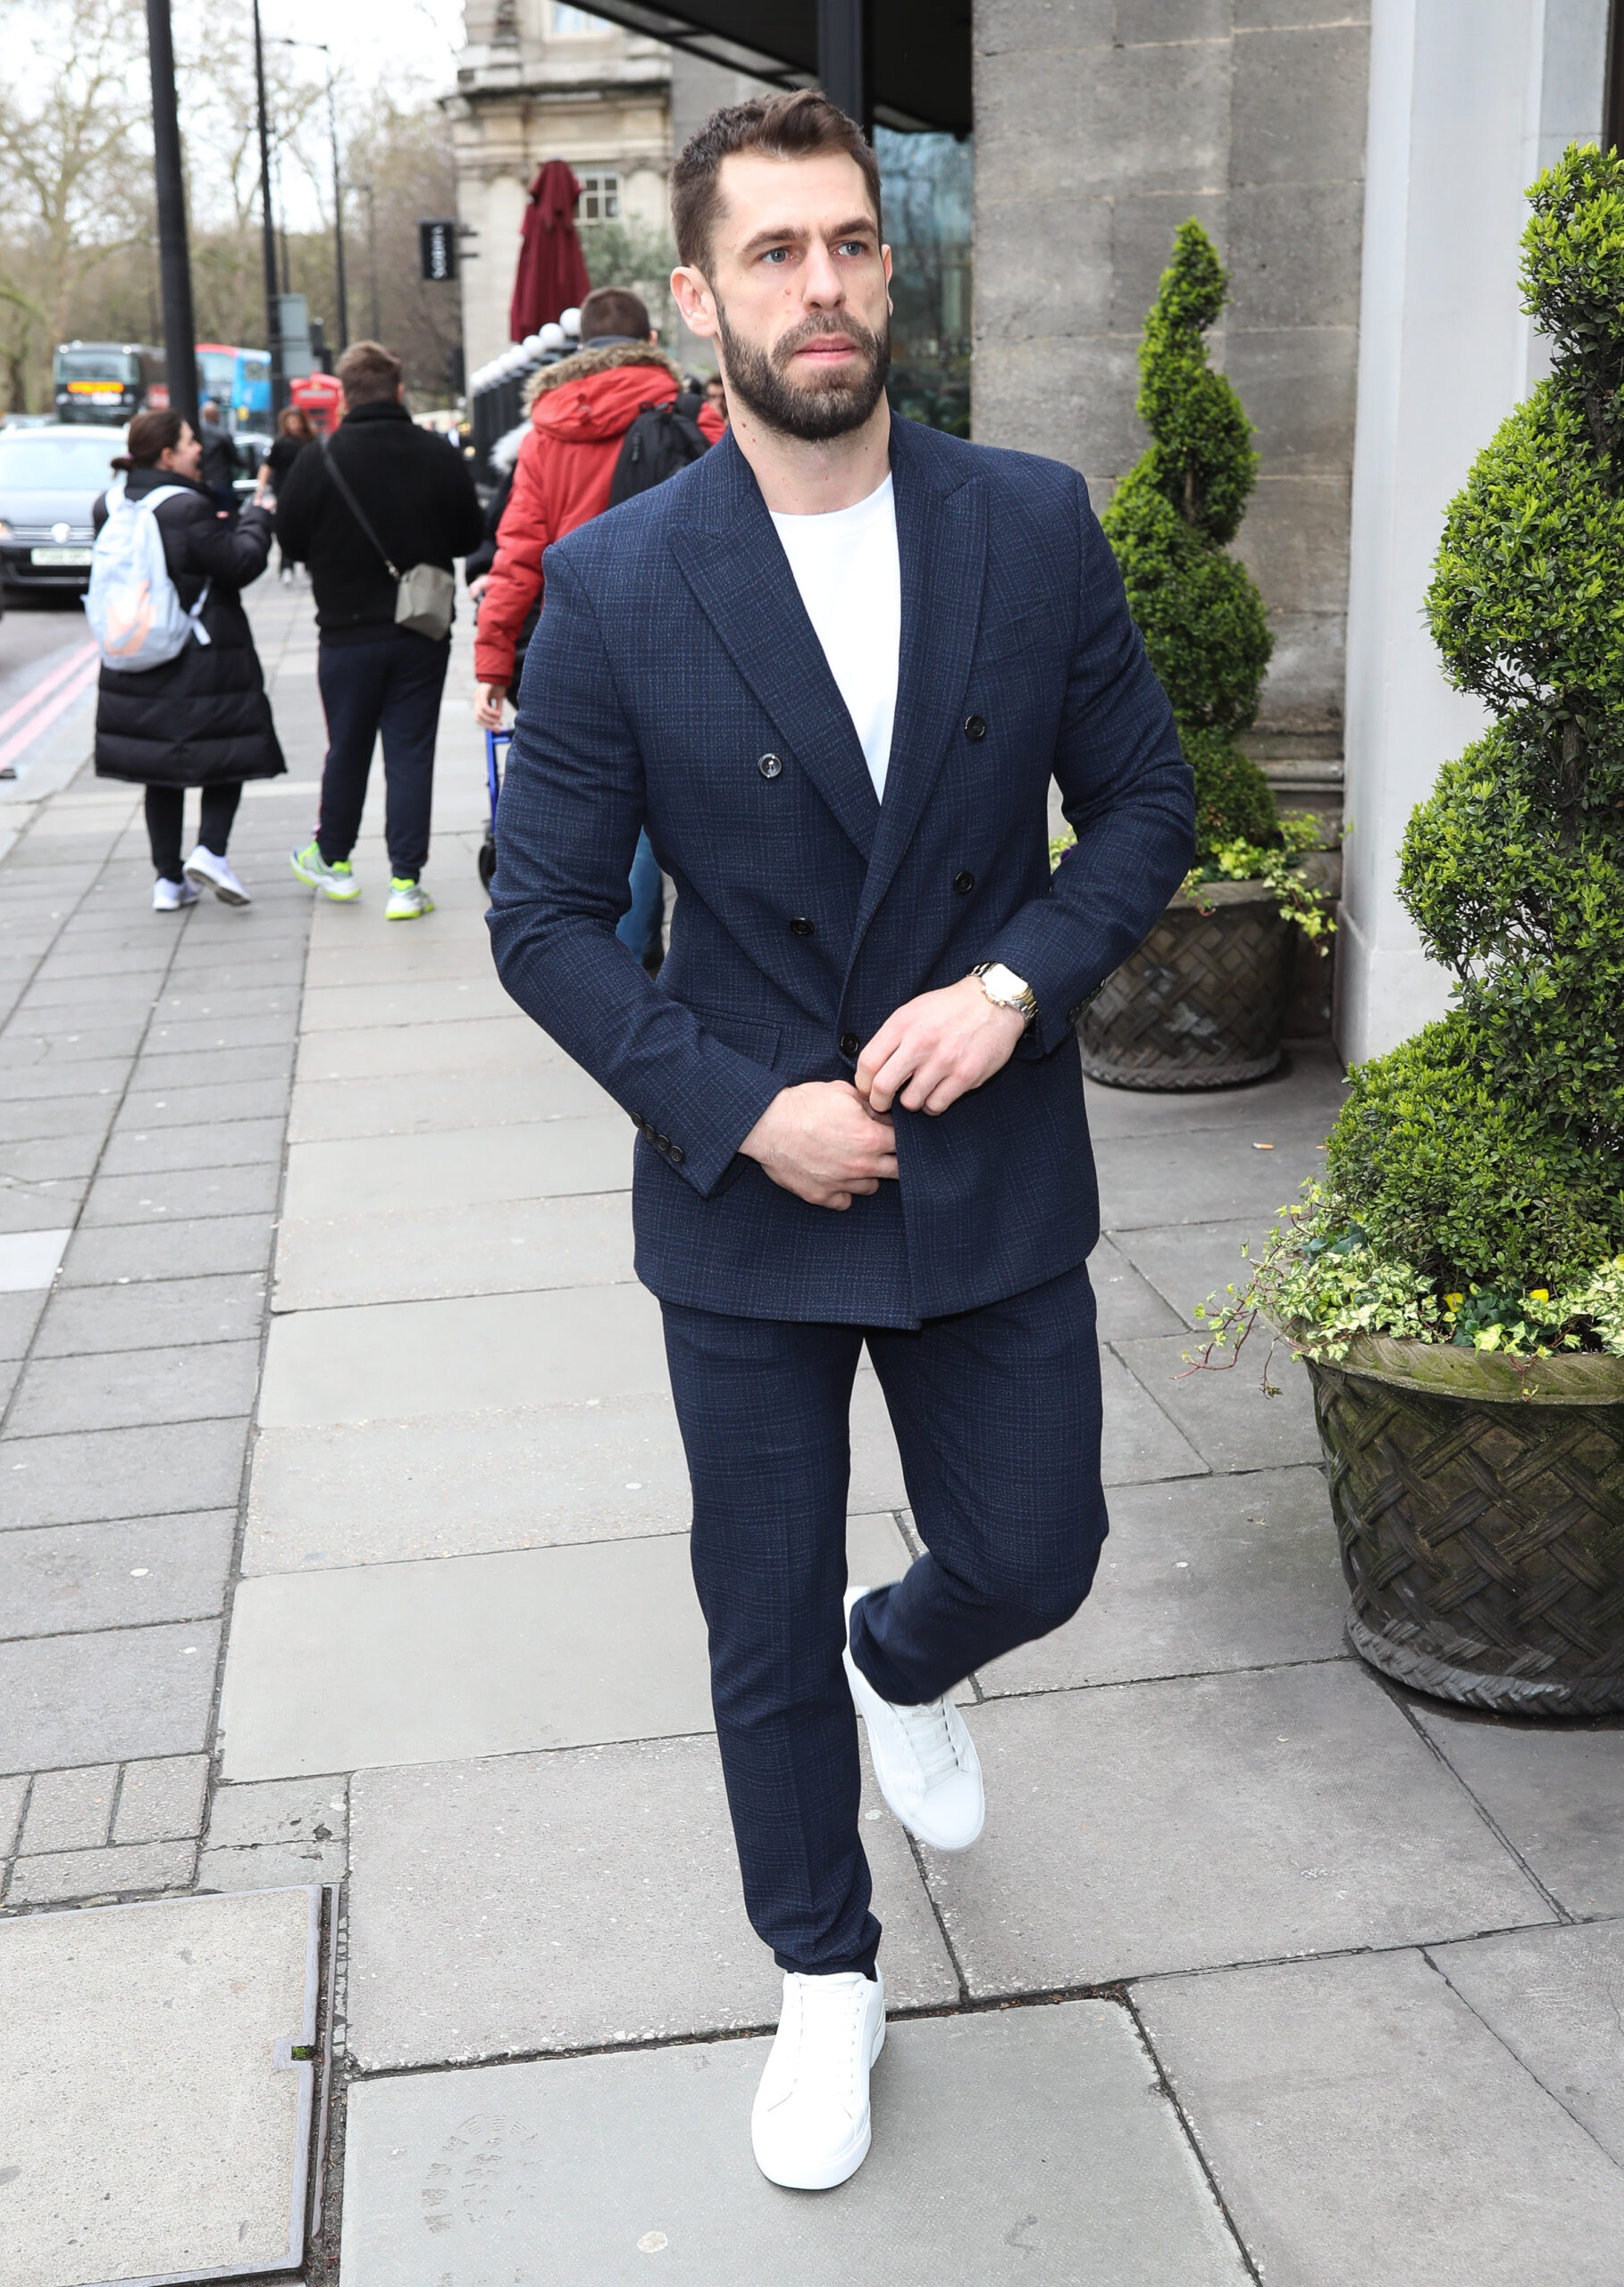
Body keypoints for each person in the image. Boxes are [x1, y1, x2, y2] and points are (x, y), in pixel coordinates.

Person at [487, 92, 1193, 2191]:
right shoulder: (619, 583)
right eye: (775, 254)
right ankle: (821, 1972)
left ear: (892, 272)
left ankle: (912, 1655)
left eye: (851, 244)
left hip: (985, 1148)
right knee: (757, 1605)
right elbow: (541, 916)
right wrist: (735, 1107)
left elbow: (1142, 807)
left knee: (1035, 1549)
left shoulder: (1028, 521)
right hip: (750, 1184)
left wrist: (1010, 988)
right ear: (700, 302)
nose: (823, 287)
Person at [473, 285, 726, 973]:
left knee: (599, 794)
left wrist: (492, 662)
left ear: (578, 347)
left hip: (576, 641)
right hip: (681, 634)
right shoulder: (691, 414)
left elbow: (517, 555)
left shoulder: (545, 434)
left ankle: (617, 965)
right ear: (650, 342)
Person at [275, 339, 483, 919]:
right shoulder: (436, 452)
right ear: (399, 391)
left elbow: (289, 540)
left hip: (345, 633)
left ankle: (334, 862)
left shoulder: (319, 458)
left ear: (344, 397)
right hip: (421, 628)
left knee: (347, 747)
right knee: (411, 753)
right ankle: (405, 883)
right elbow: (470, 536)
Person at [91, 407, 283, 909]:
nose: (200, 449)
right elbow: (238, 564)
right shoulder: (185, 507)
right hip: (202, 654)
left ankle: (167, 881)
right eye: (189, 442)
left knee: (160, 770)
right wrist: (258, 518)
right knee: (226, 754)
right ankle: (211, 852)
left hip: (135, 650)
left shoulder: (107, 505)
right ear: (167, 454)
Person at [257, 406, 314, 582]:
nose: (295, 425)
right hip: (285, 492)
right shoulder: (281, 443)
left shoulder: (310, 441)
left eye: (297, 421)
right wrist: (260, 487)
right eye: (291, 422)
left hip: (306, 491)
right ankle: (286, 566)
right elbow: (267, 466)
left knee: (308, 529)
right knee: (287, 529)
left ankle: (309, 565)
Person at [197, 399, 239, 515]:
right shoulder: (223, 434)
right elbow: (235, 459)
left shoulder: (196, 434)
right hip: (222, 483)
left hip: (202, 483)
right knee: (225, 517)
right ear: (217, 415)